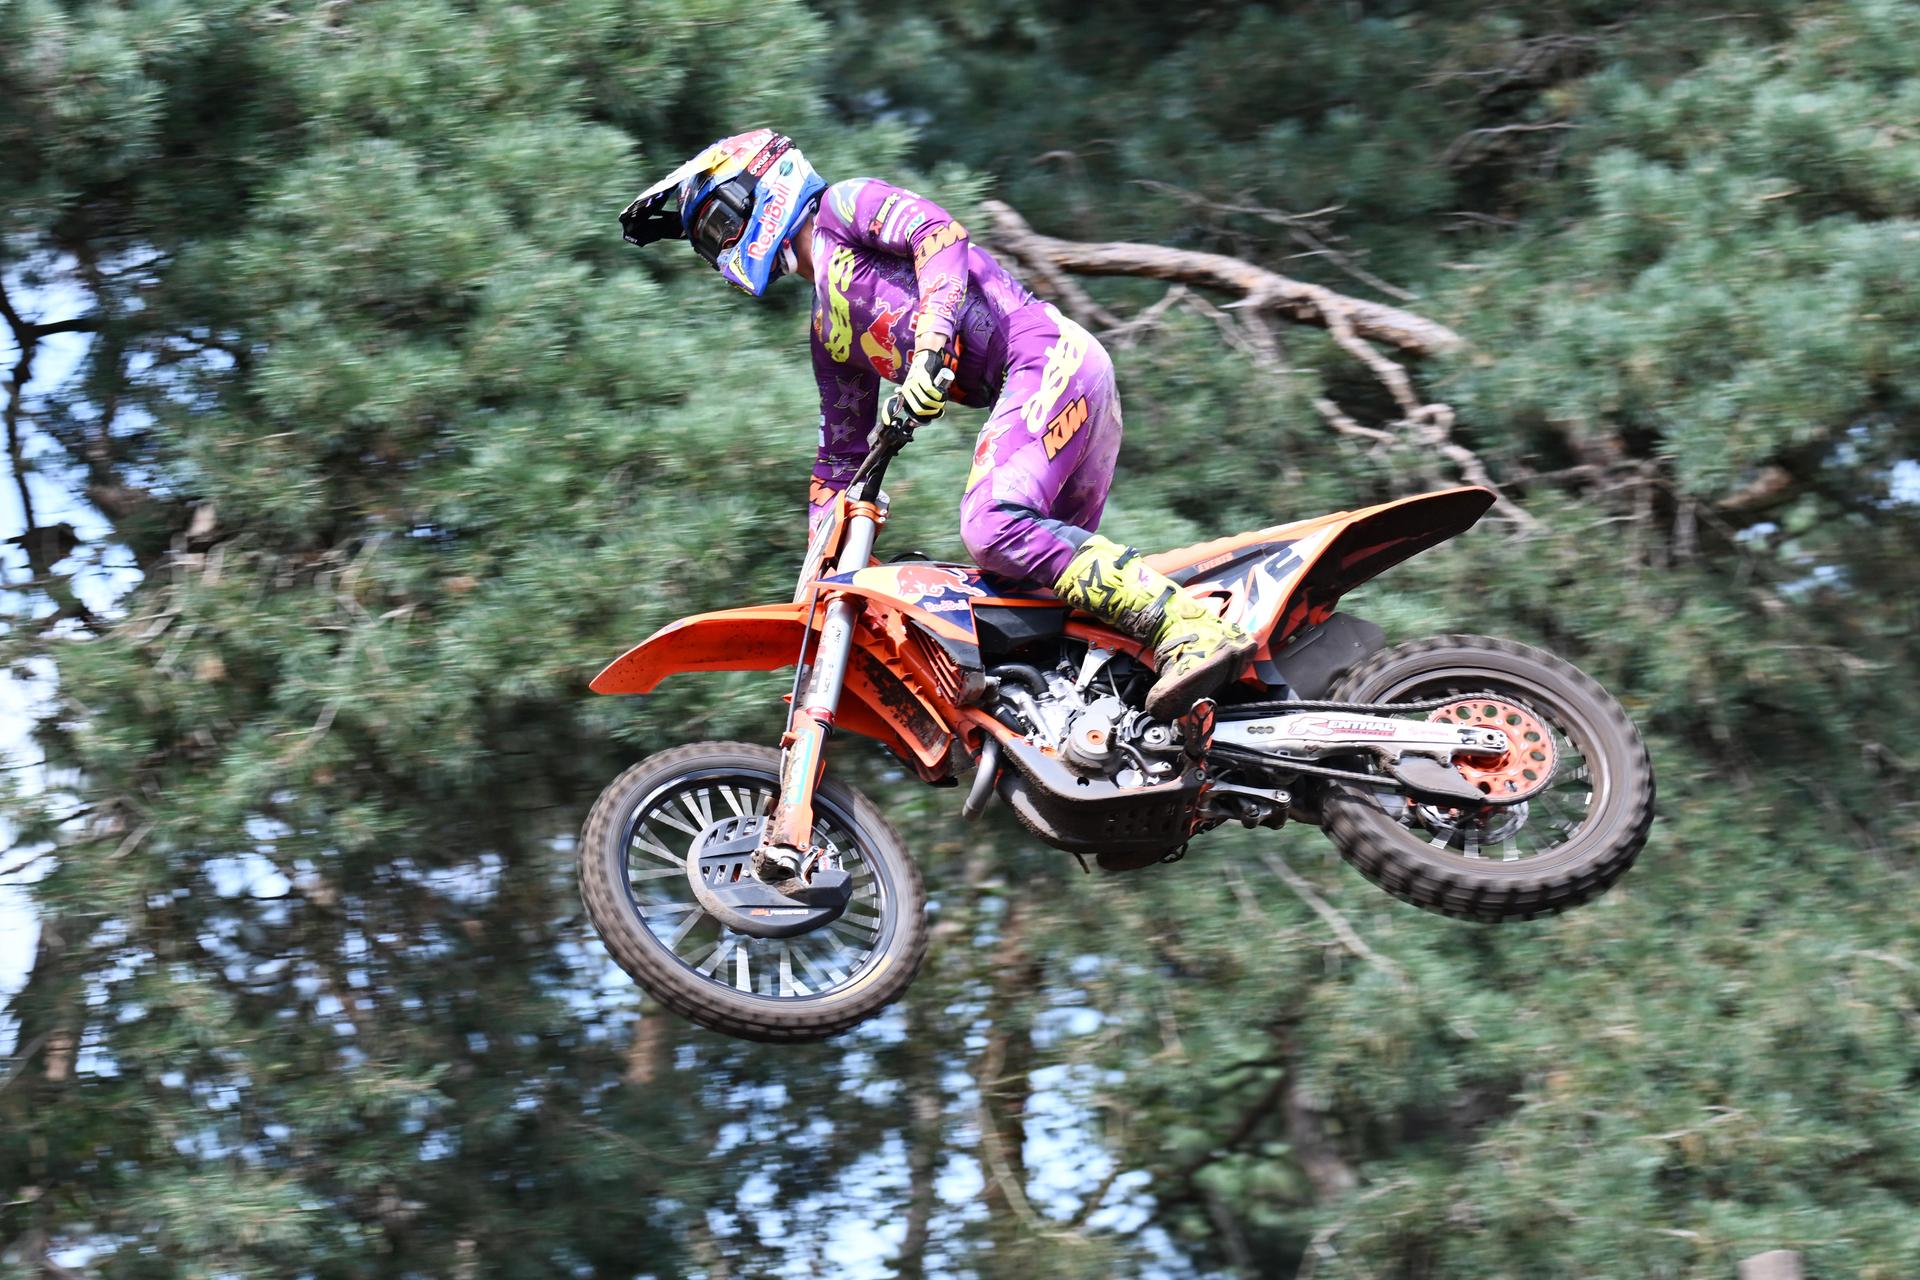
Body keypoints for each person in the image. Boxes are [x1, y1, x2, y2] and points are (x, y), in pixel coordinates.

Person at [620, 130, 1254, 719]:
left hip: (1045, 356)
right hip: (1056, 382)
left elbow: (939, 235)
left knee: (991, 522)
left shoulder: (845, 206)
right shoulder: (829, 333)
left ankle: (1189, 626)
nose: (722, 248)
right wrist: (816, 573)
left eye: (719, 225)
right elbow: (839, 460)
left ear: (765, 184)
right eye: (709, 243)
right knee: (1023, 603)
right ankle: (1138, 733)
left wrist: (929, 347)